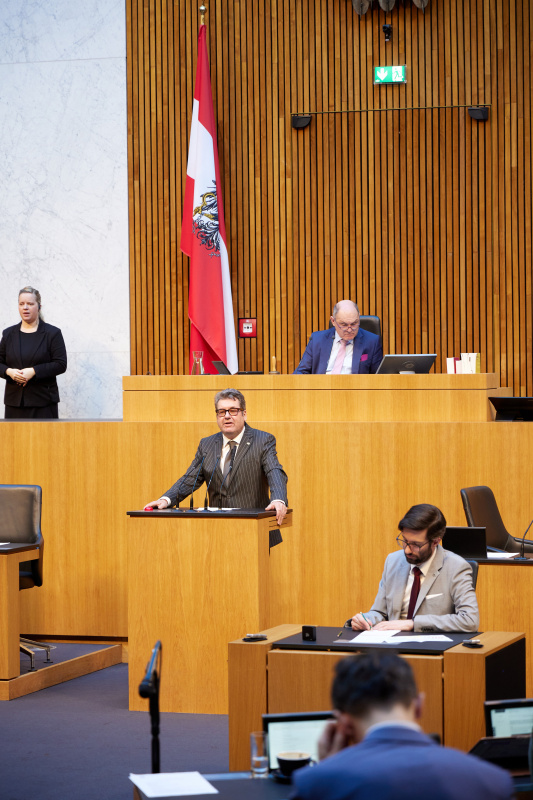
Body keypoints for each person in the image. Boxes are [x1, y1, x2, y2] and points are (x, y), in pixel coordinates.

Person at [291, 652, 514, 800]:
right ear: (419, 706)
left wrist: (330, 770)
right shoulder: (493, 781)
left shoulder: (317, 783)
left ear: (343, 724)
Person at [144, 388, 288, 546]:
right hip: (217, 531)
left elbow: (274, 472)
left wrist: (278, 499)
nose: (227, 416)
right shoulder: (207, 444)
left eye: (233, 411)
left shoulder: (263, 440)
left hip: (254, 530)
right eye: (221, 412)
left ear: (244, 414)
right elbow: (190, 479)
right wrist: (166, 499)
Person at [350, 504, 479, 633]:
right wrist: (365, 619)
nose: (407, 550)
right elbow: (380, 612)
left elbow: (470, 620)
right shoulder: (393, 561)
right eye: (405, 541)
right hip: (390, 645)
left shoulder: (456, 567)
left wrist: (413, 624)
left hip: (430, 646)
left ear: (435, 542)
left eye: (415, 545)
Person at [0, 286, 67, 419]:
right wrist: (9, 372)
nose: (25, 307)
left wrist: (34, 371)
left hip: (44, 403)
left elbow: (60, 364)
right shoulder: (8, 334)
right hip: (15, 403)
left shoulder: (52, 333)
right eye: (21, 304)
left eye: (30, 304)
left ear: (39, 306)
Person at [293, 300, 382, 374]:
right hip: (322, 390)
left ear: (358, 317)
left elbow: (378, 377)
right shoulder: (317, 340)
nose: (350, 330)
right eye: (344, 325)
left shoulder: (372, 342)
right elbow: (300, 373)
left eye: (354, 324)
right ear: (333, 321)